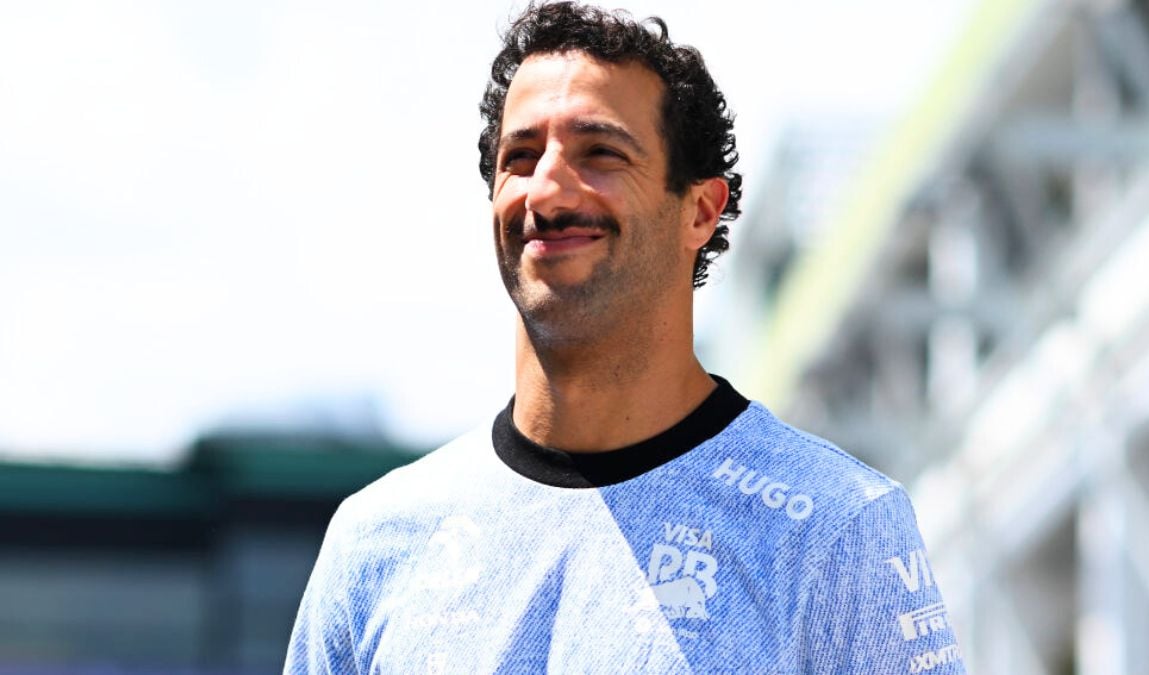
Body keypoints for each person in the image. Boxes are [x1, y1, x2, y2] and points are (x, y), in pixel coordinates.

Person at [286, 2, 965, 673]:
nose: (547, 190)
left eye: (600, 152)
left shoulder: (834, 529)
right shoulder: (375, 546)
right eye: (519, 157)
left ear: (700, 210)